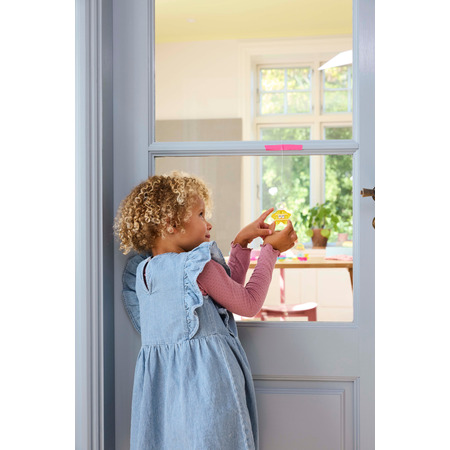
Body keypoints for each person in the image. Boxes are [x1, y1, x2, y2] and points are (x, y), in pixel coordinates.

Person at [114, 172, 297, 450]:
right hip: (207, 385)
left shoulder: (142, 273)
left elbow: (225, 295)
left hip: (163, 393)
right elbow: (247, 303)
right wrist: (270, 251)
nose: (208, 223)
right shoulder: (196, 266)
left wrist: (241, 245)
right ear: (171, 223)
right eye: (200, 214)